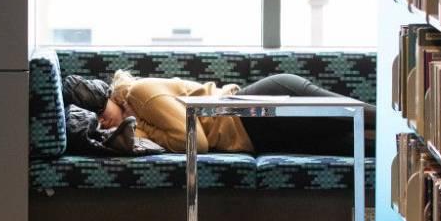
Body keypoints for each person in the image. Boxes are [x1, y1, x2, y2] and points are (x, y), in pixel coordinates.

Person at [103, 70, 372, 156]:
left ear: (108, 95)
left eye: (98, 110)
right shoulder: (133, 127)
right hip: (258, 138)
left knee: (368, 118)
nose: (101, 121)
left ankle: (414, 120)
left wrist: (139, 128)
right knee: (366, 147)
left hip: (254, 110)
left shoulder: (139, 93)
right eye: (96, 124)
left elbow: (196, 141)